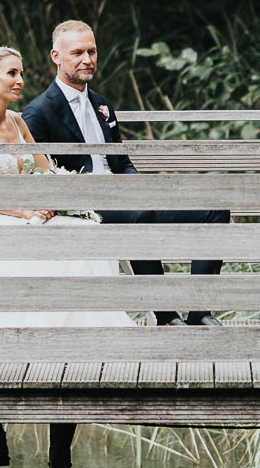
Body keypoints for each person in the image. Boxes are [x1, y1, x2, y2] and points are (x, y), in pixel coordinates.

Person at [22, 19, 233, 326]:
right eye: (77, 52)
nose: (87, 59)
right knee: (140, 215)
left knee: (214, 211)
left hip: (128, 198)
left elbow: (121, 162)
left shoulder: (102, 104)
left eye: (92, 51)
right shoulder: (39, 112)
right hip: (86, 206)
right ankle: (165, 316)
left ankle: (199, 311)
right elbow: (41, 175)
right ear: (56, 57)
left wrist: (137, 187)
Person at [0, 47, 132, 329]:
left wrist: (56, 202)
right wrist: (24, 211)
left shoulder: (17, 120)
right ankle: (45, 325)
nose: (20, 80)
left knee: (90, 232)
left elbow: (45, 169)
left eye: (20, 73)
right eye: (11, 73)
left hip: (32, 210)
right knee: (52, 241)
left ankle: (86, 324)